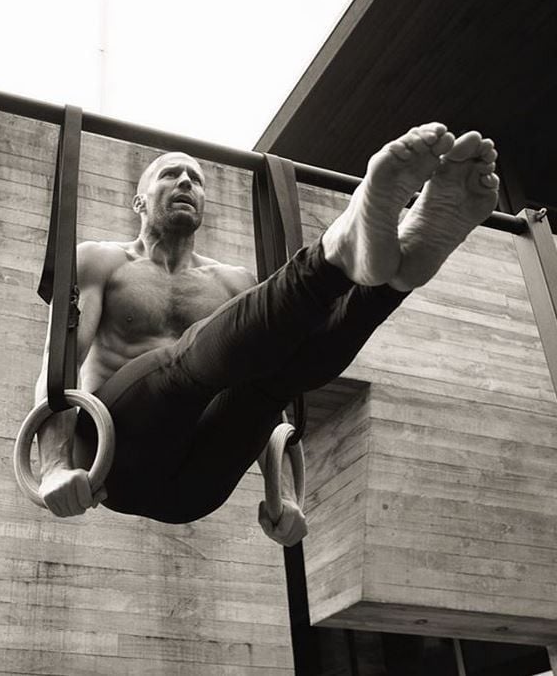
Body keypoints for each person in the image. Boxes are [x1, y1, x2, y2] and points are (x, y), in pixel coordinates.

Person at [34, 122, 499, 546]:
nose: (186, 183)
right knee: (184, 368)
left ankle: (391, 282)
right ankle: (333, 257)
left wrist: (286, 495)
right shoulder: (100, 260)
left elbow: (274, 406)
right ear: (139, 201)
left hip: (200, 485)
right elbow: (59, 365)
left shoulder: (233, 283)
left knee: (269, 381)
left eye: (196, 179)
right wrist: (54, 466)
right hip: (116, 457)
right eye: (170, 174)